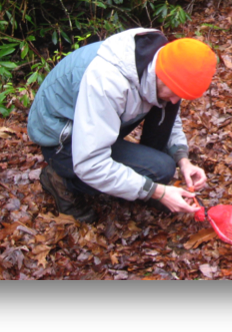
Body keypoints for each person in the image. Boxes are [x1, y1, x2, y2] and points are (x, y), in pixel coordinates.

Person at [27, 28, 216, 222]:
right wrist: (156, 192)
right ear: (162, 74)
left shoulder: (162, 63)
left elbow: (169, 116)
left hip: (95, 118)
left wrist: (183, 159)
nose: (177, 101)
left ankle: (142, 184)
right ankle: (61, 181)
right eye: (176, 92)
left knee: (163, 161)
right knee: (159, 170)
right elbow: (90, 164)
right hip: (60, 134)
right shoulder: (108, 81)